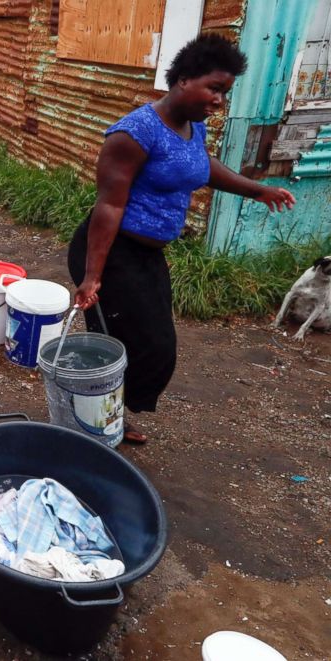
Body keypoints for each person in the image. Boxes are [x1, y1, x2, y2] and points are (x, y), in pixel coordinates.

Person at [68, 34, 295, 444]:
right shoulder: (134, 134)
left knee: (156, 348)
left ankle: (110, 414)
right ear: (183, 80)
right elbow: (109, 207)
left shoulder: (192, 128)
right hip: (111, 252)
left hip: (146, 256)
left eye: (225, 92)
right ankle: (93, 421)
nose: (219, 100)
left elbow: (203, 167)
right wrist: (91, 276)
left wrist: (257, 190)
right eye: (214, 88)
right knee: (118, 344)